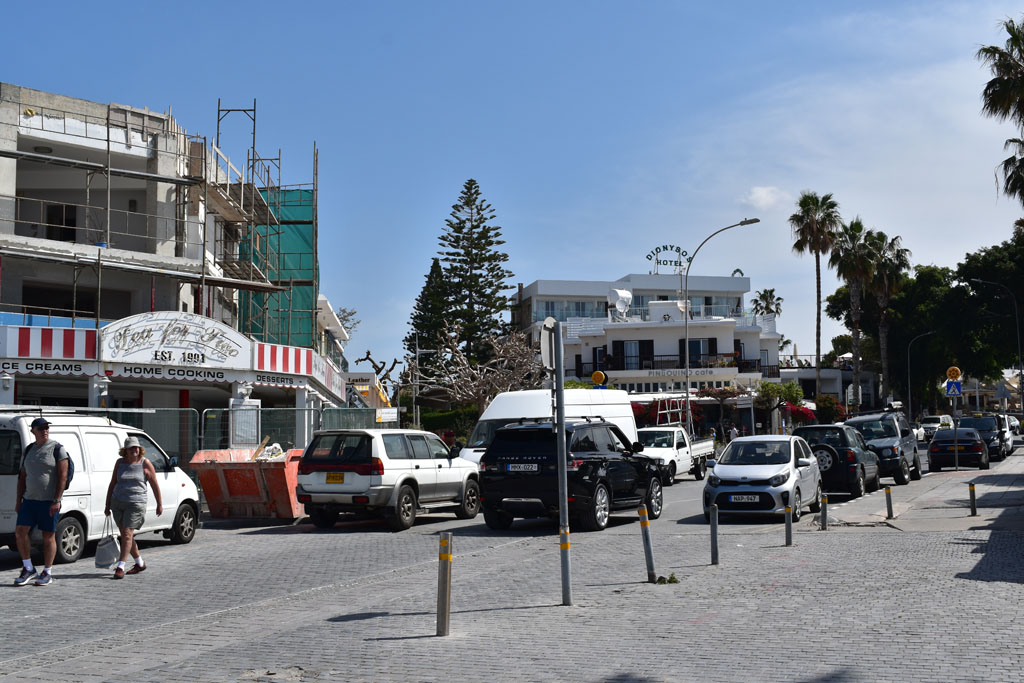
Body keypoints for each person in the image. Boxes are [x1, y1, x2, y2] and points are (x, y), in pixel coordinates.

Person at [13, 417, 69, 586]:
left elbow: (63, 476)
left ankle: (47, 572)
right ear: (33, 431)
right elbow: (22, 477)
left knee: (48, 536)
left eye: (46, 427)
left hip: (48, 501)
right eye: (41, 428)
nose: (45, 430)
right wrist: (18, 500)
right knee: (20, 532)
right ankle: (28, 568)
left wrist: (57, 500)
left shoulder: (57, 449)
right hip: (29, 500)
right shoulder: (29, 449)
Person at [104, 436, 162, 579]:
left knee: (127, 535)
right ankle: (140, 563)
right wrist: (107, 504)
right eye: (131, 448)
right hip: (118, 502)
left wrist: (159, 504)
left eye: (136, 447)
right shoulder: (119, 463)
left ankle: (120, 567)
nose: (134, 450)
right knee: (126, 536)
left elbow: (155, 484)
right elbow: (112, 483)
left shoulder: (145, 463)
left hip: (136, 503)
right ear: (125, 450)